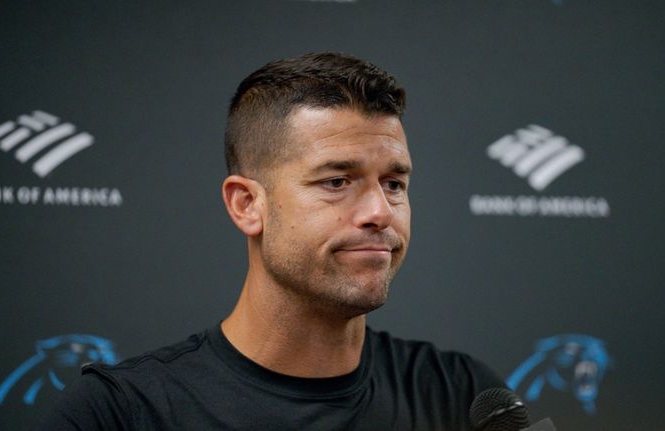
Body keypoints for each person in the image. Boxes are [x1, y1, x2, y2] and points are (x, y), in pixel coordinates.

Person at [34, 52, 505, 430]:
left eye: (394, 184)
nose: (380, 211)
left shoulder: (465, 396)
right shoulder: (117, 413)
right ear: (246, 205)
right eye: (337, 181)